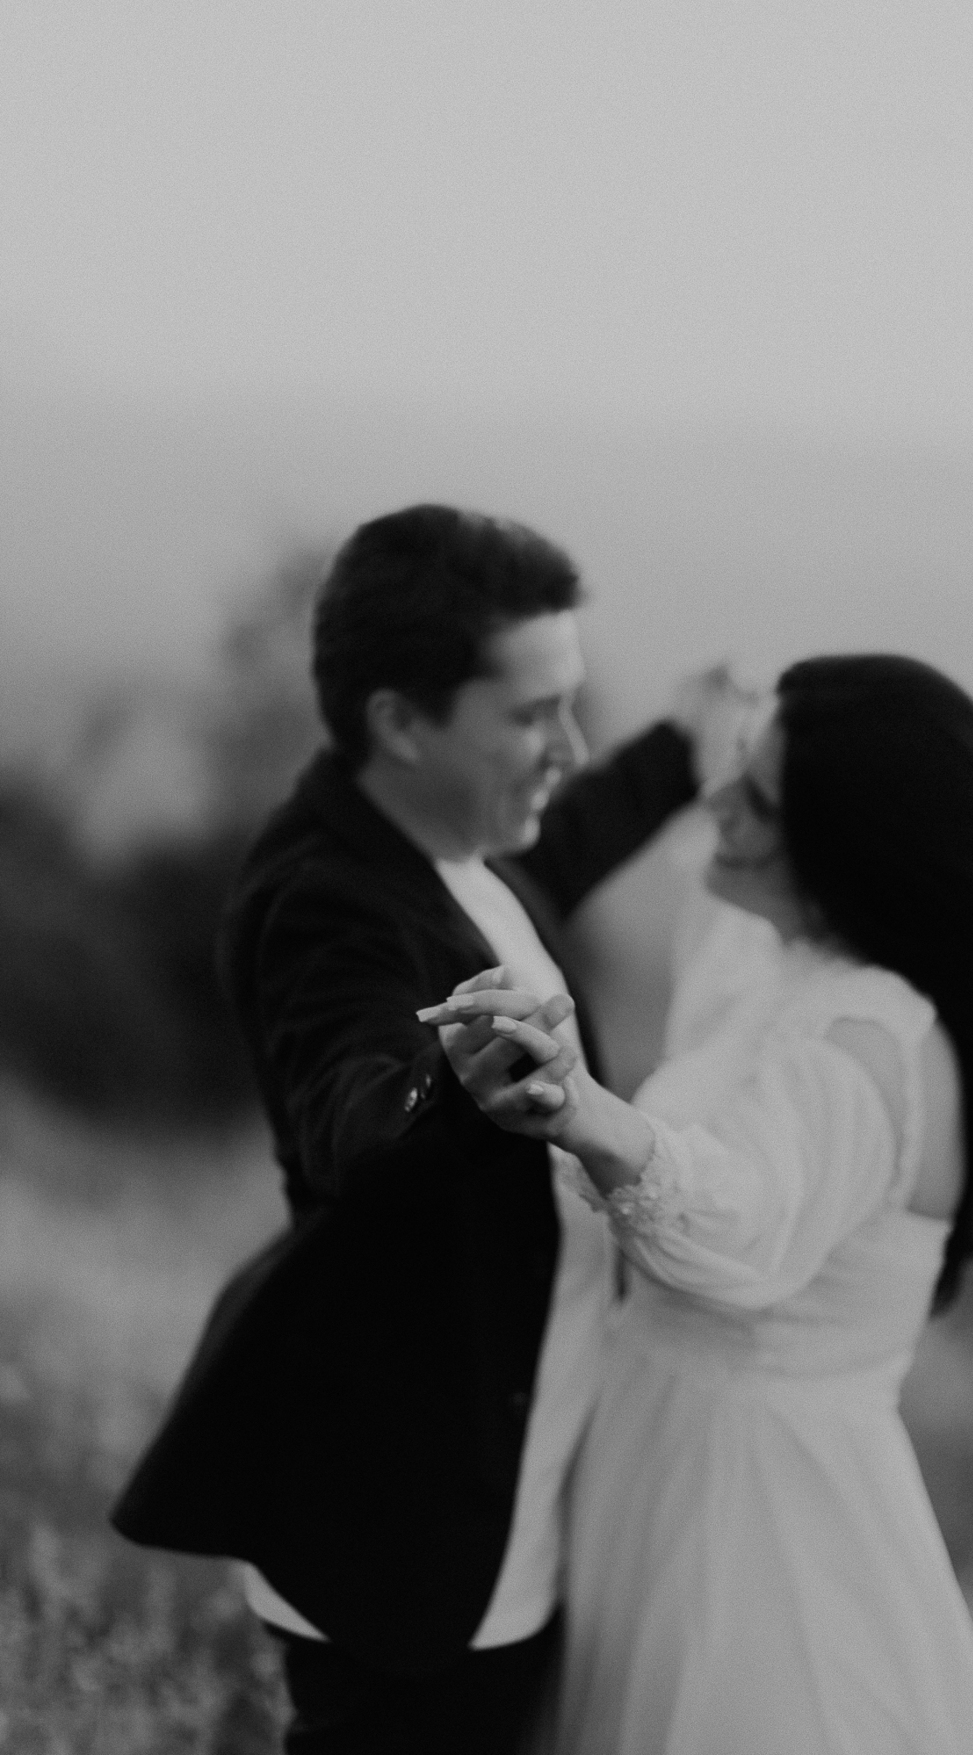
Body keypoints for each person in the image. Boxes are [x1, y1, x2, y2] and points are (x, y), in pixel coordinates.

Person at [431, 653, 973, 1755]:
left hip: (757, 1529)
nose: (718, 803)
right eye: (737, 768)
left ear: (844, 851)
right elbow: (725, 915)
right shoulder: (781, 953)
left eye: (755, 796)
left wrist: (584, 1109)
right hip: (657, 1469)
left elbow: (745, 1222)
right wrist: (712, 723)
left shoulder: (868, 1038)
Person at [112, 503, 743, 1753]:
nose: (568, 744)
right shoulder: (322, 902)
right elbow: (354, 1118)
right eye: (532, 714)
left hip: (515, 1495)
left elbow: (571, 829)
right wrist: (461, 1092)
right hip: (406, 1528)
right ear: (401, 720)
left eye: (571, 705)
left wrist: (685, 747)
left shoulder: (462, 841)